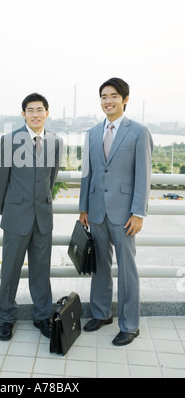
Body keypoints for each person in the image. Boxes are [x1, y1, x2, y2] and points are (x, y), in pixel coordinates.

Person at [79, 78, 153, 346]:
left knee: (127, 269)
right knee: (99, 266)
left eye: (113, 96)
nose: (107, 101)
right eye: (103, 96)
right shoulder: (92, 133)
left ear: (125, 99)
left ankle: (130, 324)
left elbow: (143, 175)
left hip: (125, 214)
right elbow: (87, 173)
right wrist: (83, 207)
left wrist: (138, 212)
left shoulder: (139, 132)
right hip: (96, 210)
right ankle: (101, 313)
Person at [0, 93, 63, 341]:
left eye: (40, 110)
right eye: (30, 110)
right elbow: (1, 180)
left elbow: (51, 178)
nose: (36, 114)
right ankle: (5, 318)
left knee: (41, 270)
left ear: (47, 112)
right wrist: (9, 210)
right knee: (9, 270)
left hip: (43, 216)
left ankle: (42, 317)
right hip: (16, 216)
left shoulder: (56, 142)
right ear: (23, 113)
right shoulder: (9, 140)